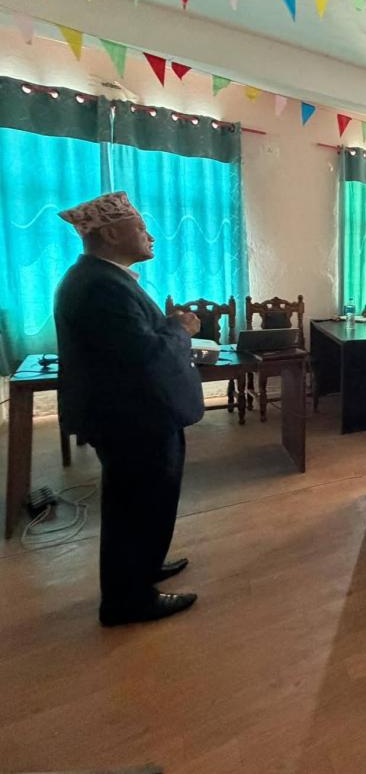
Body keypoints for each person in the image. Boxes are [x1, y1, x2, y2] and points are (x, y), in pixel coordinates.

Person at [54, 192, 203, 626]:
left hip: (138, 414)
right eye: (140, 228)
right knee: (136, 506)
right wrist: (180, 328)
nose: (150, 236)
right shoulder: (100, 285)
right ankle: (128, 600)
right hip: (132, 418)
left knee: (147, 502)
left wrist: (169, 328)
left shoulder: (104, 277)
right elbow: (145, 356)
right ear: (111, 234)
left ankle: (145, 567)